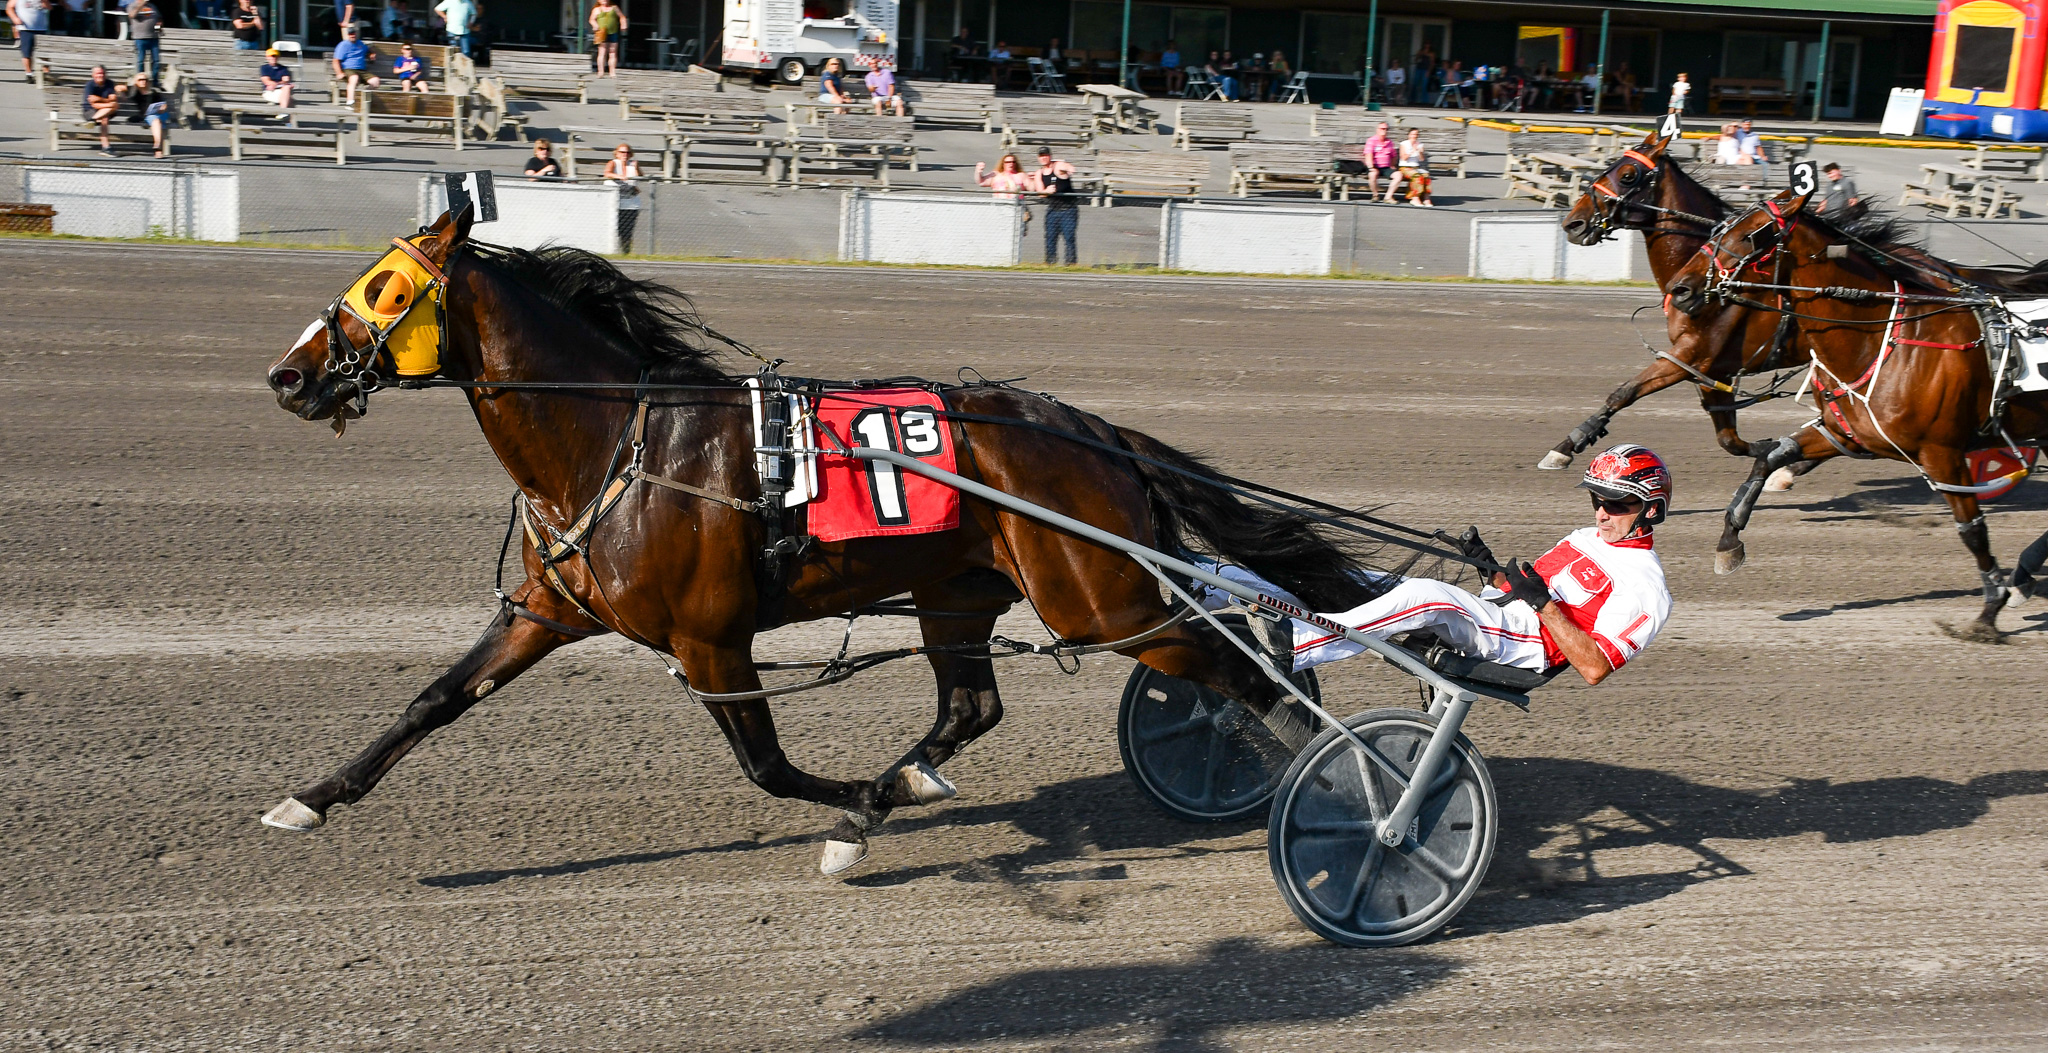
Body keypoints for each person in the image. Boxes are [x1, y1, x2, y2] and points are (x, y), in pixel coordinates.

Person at [1198, 445, 1674, 687]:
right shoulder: (1588, 537)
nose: (1601, 513)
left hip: (1528, 646)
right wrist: (1492, 573)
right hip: (1502, 615)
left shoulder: (1646, 588)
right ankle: (1218, 584)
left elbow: (1593, 667)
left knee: (1425, 595)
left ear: (1650, 510)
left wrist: (1544, 605)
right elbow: (1521, 592)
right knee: (1361, 582)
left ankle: (1301, 645)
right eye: (1597, 500)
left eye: (1615, 505)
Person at [1034, 146, 1078, 266]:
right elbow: (1040, 192)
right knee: (1050, 237)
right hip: (1053, 209)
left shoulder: (1057, 166)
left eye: (1046, 155)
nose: (1044, 158)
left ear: (1050, 156)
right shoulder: (1039, 173)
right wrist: (1046, 191)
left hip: (1068, 208)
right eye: (1041, 156)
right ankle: (1050, 261)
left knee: (1069, 237)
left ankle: (1071, 263)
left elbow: (1066, 167)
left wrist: (1069, 169)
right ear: (1038, 158)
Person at [603, 143, 643, 253]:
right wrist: (620, 176)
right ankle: (611, 251)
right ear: (616, 153)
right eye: (622, 152)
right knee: (613, 228)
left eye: (627, 152)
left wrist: (637, 167)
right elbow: (607, 173)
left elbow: (640, 176)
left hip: (631, 202)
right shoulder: (613, 163)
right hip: (615, 202)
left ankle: (626, 252)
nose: (625, 154)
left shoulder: (632, 164)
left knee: (627, 231)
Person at [330, 26, 379, 104]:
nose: (352, 35)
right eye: (350, 34)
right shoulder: (343, 45)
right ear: (348, 35)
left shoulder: (360, 44)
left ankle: (364, 99)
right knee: (354, 78)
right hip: (349, 69)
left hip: (362, 70)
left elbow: (368, 50)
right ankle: (350, 102)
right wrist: (339, 73)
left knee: (375, 81)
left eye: (354, 33)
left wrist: (371, 54)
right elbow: (335, 60)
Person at [126, 71, 169, 156]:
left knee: (157, 120)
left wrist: (163, 107)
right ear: (136, 81)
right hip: (149, 116)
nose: (143, 81)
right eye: (140, 80)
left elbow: (163, 104)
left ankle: (158, 147)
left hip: (160, 114)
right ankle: (158, 148)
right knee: (157, 121)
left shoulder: (154, 92)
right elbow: (118, 88)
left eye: (145, 79)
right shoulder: (135, 92)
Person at [10, 0, 51, 83]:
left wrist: (44, 2)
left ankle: (46, 73)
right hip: (25, 28)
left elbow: (49, 7)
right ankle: (29, 74)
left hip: (41, 28)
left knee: (44, 53)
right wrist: (14, 18)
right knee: (27, 53)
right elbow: (9, 7)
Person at [82, 64, 120, 153]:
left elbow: (113, 98)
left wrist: (100, 99)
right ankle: (106, 147)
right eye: (98, 73)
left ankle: (93, 120)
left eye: (102, 73)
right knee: (105, 118)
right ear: (93, 75)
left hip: (104, 110)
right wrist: (110, 104)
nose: (100, 75)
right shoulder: (90, 85)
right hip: (90, 111)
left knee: (112, 107)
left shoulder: (110, 83)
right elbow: (94, 105)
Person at [1359, 121, 1398, 200]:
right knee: (1372, 174)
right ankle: (1375, 195)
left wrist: (1392, 165)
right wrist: (1370, 167)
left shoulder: (1390, 142)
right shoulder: (1372, 141)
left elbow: (1394, 155)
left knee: (1398, 175)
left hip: (1386, 167)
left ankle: (1388, 197)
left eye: (1386, 129)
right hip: (1375, 166)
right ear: (1377, 129)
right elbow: (1368, 154)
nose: (1384, 130)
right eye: (1382, 128)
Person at [1395, 127, 1433, 206]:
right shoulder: (1404, 144)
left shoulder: (1420, 144)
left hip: (1415, 167)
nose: (1414, 136)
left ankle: (1426, 198)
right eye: (1413, 134)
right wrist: (1412, 151)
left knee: (1426, 176)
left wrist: (1421, 152)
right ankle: (1415, 198)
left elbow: (1421, 159)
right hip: (1405, 167)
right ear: (1409, 135)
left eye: (1416, 134)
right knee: (1417, 177)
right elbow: (1403, 158)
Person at [129, 0, 162, 85]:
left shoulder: (152, 6)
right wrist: (141, 4)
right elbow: (132, 15)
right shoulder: (132, 5)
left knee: (156, 61)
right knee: (140, 61)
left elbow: (158, 17)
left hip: (153, 37)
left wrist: (159, 24)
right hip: (140, 38)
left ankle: (155, 81)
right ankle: (140, 81)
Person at [588, 0, 623, 77]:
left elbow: (621, 17)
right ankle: (601, 71)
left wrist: (623, 24)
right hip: (602, 33)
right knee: (602, 52)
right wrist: (595, 25)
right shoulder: (597, 9)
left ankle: (612, 72)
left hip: (613, 32)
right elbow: (591, 19)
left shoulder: (614, 8)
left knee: (612, 52)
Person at [258, 46, 293, 115]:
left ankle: (284, 114)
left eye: (276, 56)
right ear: (267, 57)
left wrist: (274, 84)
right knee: (289, 97)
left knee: (287, 89)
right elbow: (266, 81)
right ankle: (285, 115)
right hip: (269, 91)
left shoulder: (283, 68)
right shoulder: (264, 68)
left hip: (280, 90)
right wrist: (280, 83)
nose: (274, 58)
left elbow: (286, 80)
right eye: (272, 56)